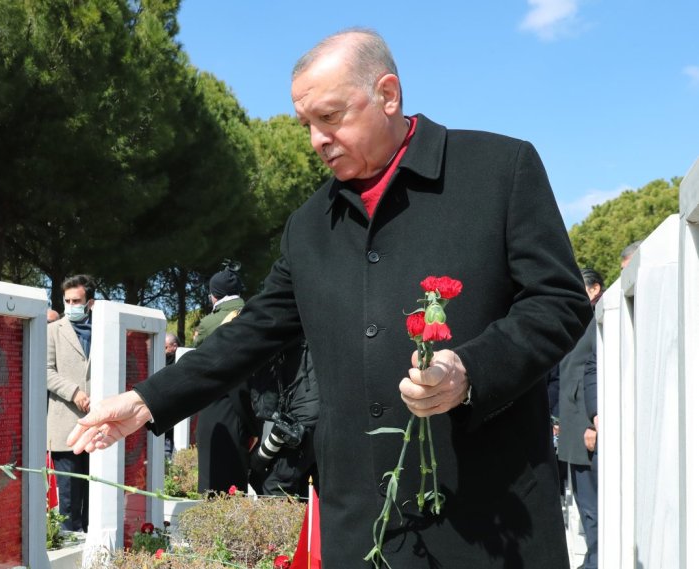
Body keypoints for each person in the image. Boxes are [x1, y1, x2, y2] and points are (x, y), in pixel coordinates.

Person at [67, 28, 592, 568]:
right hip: (362, 527)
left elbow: (558, 301)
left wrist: (470, 371)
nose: (317, 139)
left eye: (331, 117)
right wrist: (146, 399)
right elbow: (254, 330)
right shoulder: (310, 226)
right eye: (306, 125)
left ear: (388, 94)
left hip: (490, 518)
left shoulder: (498, 170)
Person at [549, 268, 602, 569]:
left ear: (594, 290)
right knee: (584, 504)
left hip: (586, 428)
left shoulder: (600, 321)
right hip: (571, 428)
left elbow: (592, 376)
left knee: (594, 507)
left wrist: (592, 422)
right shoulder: (578, 322)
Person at [193, 262, 257, 494]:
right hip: (252, 406)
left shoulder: (209, 323)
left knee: (214, 484)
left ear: (213, 295)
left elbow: (198, 354)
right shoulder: (254, 312)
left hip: (218, 405)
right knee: (237, 479)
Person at [46, 274, 96, 532]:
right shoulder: (53, 330)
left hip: (98, 426)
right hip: (66, 424)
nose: (71, 305)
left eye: (76, 300)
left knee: (96, 497)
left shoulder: (104, 331)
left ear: (90, 303)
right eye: (67, 300)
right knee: (68, 499)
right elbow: (45, 371)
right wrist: (74, 391)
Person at [248, 339, 319, 497]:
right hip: (318, 417)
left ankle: (278, 521)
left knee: (275, 485)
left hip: (303, 420)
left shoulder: (295, 333)